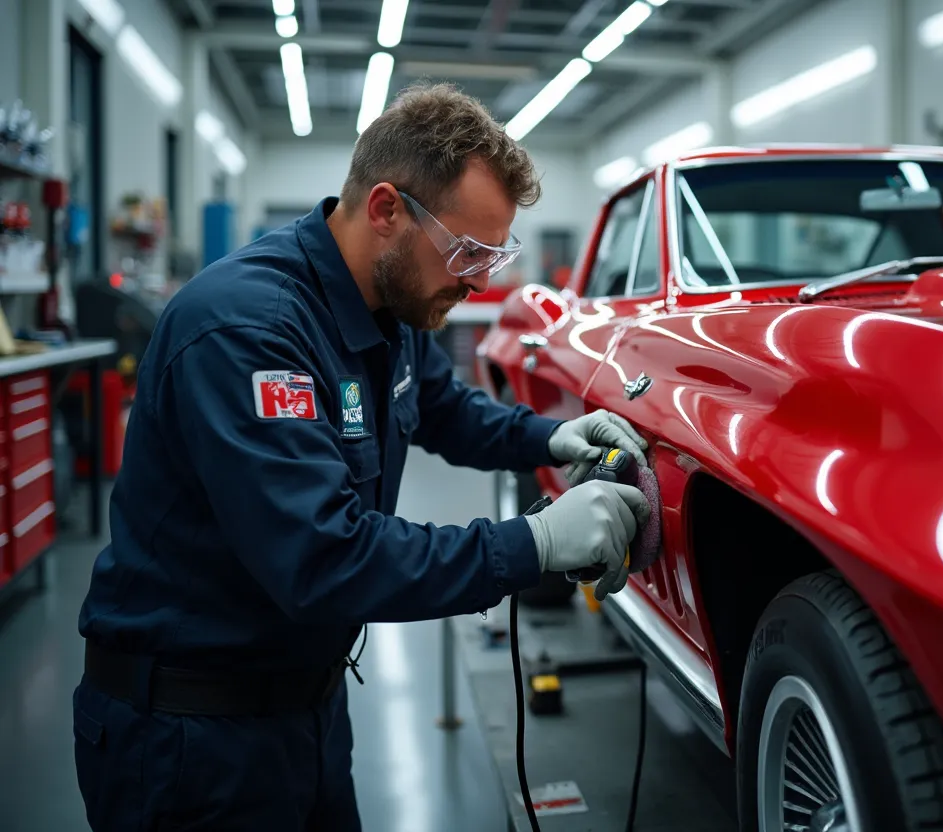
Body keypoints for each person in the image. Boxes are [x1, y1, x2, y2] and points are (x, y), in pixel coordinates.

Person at [72, 82, 651, 831]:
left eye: (494, 253)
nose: (480, 278)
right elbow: (324, 558)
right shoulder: (249, 332)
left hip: (304, 711)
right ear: (386, 210)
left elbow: (443, 407)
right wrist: (533, 544)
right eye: (467, 251)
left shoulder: (396, 305)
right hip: (189, 740)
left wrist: (548, 436)